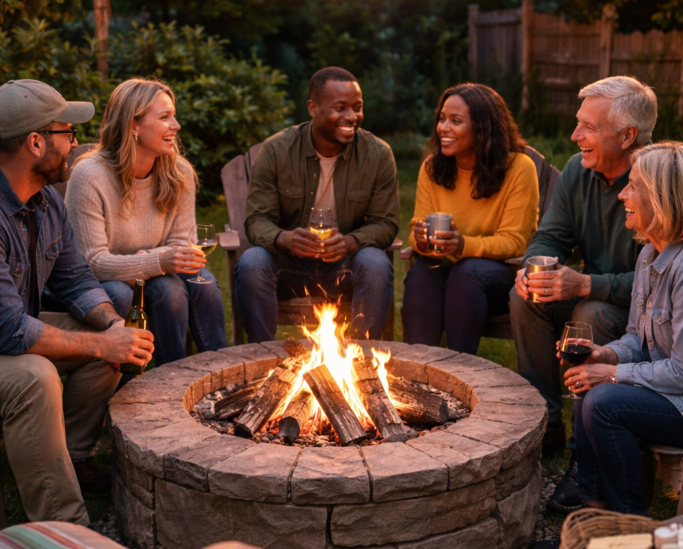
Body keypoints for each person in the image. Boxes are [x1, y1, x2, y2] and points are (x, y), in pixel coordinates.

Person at [0, 78, 154, 525]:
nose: (75, 143)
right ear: (35, 143)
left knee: (105, 339)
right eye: (67, 133)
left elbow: (76, 279)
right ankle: (66, 529)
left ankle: (71, 456)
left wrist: (111, 328)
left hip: (11, 328)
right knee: (35, 375)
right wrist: (101, 345)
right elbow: (10, 328)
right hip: (6, 335)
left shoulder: (46, 200)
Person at [510, 75, 657, 515]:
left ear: (627, 135)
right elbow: (549, 237)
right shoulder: (578, 171)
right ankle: (543, 424)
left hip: (643, 314)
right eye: (578, 124)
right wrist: (535, 268)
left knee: (590, 314)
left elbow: (661, 281)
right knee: (525, 298)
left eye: (587, 127)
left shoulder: (662, 184)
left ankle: (583, 453)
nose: (575, 137)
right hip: (593, 289)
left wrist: (588, 284)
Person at [66, 78, 227, 365]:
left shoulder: (178, 172)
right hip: (101, 282)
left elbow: (180, 245)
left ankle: (216, 372)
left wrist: (159, 260)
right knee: (120, 293)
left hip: (157, 276)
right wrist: (160, 261)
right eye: (165, 117)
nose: (176, 126)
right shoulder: (90, 175)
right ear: (133, 126)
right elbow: (92, 262)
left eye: (173, 116)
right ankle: (125, 389)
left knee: (201, 285)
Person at [234, 67, 398, 341]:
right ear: (313, 108)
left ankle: (362, 361)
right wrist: (284, 238)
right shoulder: (277, 150)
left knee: (376, 263)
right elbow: (256, 219)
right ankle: (261, 358)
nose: (351, 117)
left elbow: (386, 223)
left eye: (357, 108)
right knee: (252, 262)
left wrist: (351, 242)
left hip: (343, 266)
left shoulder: (378, 154)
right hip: (290, 266)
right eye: (340, 107)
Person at [564, 142, 683, 515]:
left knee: (604, 402)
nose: (622, 195)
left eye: (633, 187)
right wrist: (606, 354)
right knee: (589, 385)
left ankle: (628, 524)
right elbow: (637, 335)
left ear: (663, 198)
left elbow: (681, 371)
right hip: (667, 392)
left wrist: (614, 374)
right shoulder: (649, 254)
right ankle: (593, 513)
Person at [402, 83, 539, 354]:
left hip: (499, 278)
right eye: (442, 119)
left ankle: (460, 371)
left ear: (483, 128)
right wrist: (421, 239)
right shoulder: (432, 167)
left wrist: (463, 246)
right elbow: (417, 227)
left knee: (467, 272)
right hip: (445, 269)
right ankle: (416, 368)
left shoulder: (519, 169)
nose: (443, 128)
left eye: (456, 121)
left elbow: (515, 242)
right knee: (422, 272)